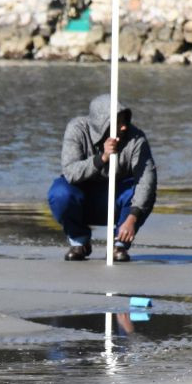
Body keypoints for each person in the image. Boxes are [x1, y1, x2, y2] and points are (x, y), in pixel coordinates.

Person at [47, 94, 156, 262]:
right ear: (102, 123)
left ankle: (118, 245)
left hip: (116, 202)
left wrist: (133, 217)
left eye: (125, 121)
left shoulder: (136, 139)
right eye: (118, 122)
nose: (124, 127)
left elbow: (147, 181)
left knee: (139, 191)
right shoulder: (77, 129)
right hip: (82, 199)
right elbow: (71, 173)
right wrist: (102, 158)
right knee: (60, 193)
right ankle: (79, 241)